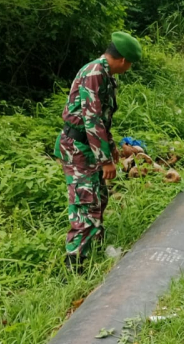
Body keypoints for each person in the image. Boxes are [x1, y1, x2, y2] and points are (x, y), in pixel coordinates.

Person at [54, 31, 142, 270]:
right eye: (130, 63)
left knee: (99, 197)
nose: (129, 68)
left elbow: (103, 119)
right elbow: (91, 119)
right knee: (86, 202)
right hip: (78, 148)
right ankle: (74, 263)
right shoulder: (94, 74)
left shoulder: (105, 75)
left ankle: (93, 247)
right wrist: (105, 161)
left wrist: (110, 147)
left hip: (89, 145)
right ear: (122, 60)